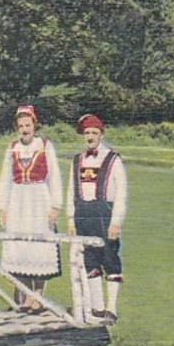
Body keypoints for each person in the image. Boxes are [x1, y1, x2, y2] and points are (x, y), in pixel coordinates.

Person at [0, 105, 63, 314]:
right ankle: (24, 295)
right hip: (18, 200)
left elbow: (54, 176)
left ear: (34, 124)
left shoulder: (44, 145)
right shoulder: (13, 148)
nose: (25, 129)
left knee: (40, 247)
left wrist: (55, 205)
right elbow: (5, 178)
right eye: (21, 125)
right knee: (20, 246)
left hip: (39, 199)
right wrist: (2, 207)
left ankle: (38, 296)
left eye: (28, 125)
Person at [66, 114, 127, 325]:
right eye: (87, 133)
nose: (90, 137)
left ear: (101, 134)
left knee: (109, 258)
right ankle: (97, 307)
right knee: (89, 260)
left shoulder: (113, 159)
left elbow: (121, 193)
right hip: (83, 212)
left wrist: (116, 221)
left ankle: (111, 308)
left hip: (105, 213)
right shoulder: (78, 160)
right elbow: (71, 191)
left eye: (94, 133)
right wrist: (71, 219)